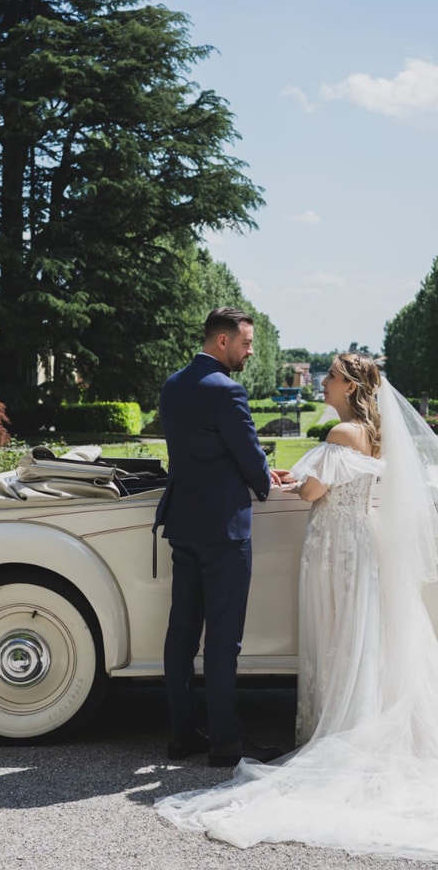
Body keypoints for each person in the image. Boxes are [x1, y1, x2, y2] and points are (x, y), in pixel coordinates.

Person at [156, 352, 438, 861]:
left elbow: (314, 492)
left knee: (337, 635)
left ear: (351, 387)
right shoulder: (372, 434)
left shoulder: (341, 434)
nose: (324, 382)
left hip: (335, 547)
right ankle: (357, 722)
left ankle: (339, 730)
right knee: (361, 636)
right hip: (361, 542)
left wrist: (292, 480)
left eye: (332, 377)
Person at [154, 307, 290, 768]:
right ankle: (226, 742)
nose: (250, 352)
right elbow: (248, 455)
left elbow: (202, 450)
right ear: (223, 341)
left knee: (181, 633)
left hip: (183, 523)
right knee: (223, 638)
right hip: (224, 531)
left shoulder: (173, 385)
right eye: (247, 343)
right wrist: (267, 479)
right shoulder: (227, 390)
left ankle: (181, 734)